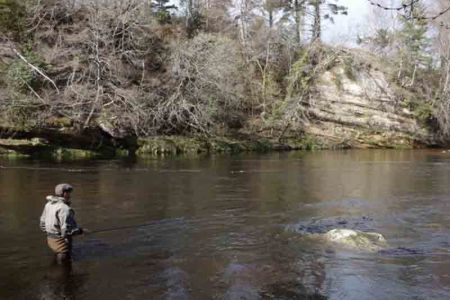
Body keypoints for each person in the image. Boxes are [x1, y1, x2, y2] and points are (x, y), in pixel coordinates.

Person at [40, 183, 84, 262]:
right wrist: (81, 231)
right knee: (63, 269)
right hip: (61, 245)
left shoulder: (48, 204)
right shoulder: (64, 208)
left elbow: (42, 224)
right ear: (64, 193)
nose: (70, 195)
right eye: (69, 193)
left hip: (50, 241)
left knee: (55, 264)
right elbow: (68, 231)